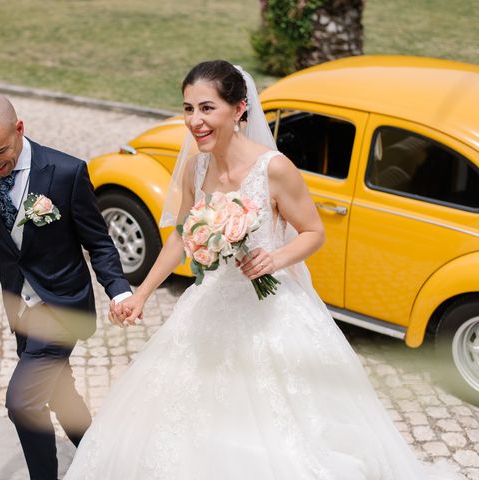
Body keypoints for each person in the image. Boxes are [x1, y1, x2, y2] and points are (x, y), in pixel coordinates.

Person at [64, 61, 460, 479]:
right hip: (211, 302)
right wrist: (141, 293)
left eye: (206, 108)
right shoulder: (196, 167)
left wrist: (275, 258)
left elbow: (313, 232)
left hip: (269, 309)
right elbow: (181, 236)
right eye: (187, 109)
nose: (194, 121)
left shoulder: (273, 168)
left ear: (238, 109)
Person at [0, 93, 132, 480]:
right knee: (61, 395)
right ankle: (104, 458)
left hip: (64, 306)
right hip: (23, 311)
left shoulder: (66, 172)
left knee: (22, 402)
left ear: (20, 129)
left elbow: (97, 241)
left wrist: (120, 290)